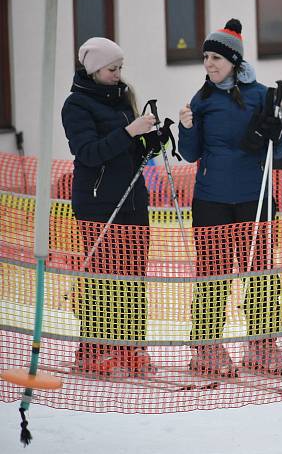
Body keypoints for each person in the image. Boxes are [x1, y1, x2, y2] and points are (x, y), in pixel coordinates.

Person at [178, 19, 282, 378]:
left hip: (254, 197)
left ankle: (262, 343)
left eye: (216, 58)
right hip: (211, 199)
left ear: (235, 61)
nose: (209, 64)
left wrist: (277, 130)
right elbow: (190, 153)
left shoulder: (260, 95)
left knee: (259, 275)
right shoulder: (203, 98)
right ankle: (206, 344)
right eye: (206, 57)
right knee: (213, 275)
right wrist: (187, 127)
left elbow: (281, 150)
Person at [61, 37, 157, 377]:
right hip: (98, 204)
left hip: (132, 200)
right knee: (103, 280)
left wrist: (149, 141)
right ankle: (95, 349)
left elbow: (128, 151)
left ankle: (131, 347)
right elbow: (88, 152)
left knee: (133, 279)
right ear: (93, 69)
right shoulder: (76, 105)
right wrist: (130, 131)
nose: (118, 74)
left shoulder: (121, 99)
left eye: (120, 68)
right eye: (111, 69)